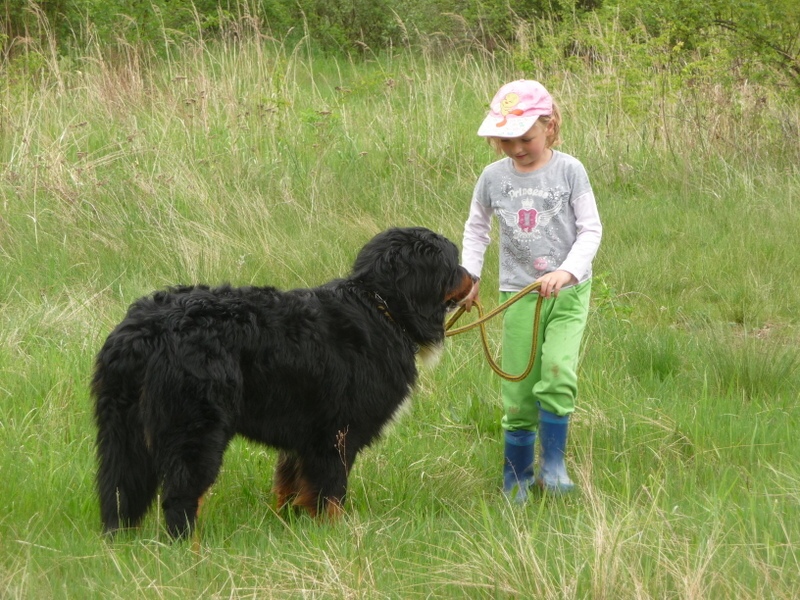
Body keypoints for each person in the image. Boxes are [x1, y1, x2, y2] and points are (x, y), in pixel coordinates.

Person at [461, 80, 602, 501]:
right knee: (519, 391)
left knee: (558, 373)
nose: (517, 148)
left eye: (526, 138)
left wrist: (568, 271)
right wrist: (471, 278)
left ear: (550, 126)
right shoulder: (492, 178)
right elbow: (476, 229)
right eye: (506, 140)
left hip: (567, 292)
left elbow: (591, 229)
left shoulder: (570, 170)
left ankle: (554, 466)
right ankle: (517, 476)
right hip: (518, 293)